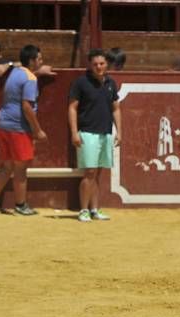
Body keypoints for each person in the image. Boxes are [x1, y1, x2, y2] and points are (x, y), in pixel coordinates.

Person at [0, 44, 47, 216]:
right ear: (31, 61)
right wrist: (37, 130)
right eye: (39, 59)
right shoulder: (30, 78)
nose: (41, 61)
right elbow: (26, 106)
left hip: (3, 124)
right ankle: (20, 204)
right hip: (19, 127)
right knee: (20, 168)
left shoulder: (16, 72)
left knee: (7, 166)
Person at [68, 49, 122, 223]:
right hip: (87, 133)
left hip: (105, 133)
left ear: (106, 64)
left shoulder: (111, 83)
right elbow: (72, 108)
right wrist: (74, 132)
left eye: (102, 64)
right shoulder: (81, 83)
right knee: (89, 172)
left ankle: (94, 209)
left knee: (97, 173)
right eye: (95, 64)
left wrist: (119, 131)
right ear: (89, 66)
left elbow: (116, 108)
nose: (99, 67)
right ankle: (83, 209)